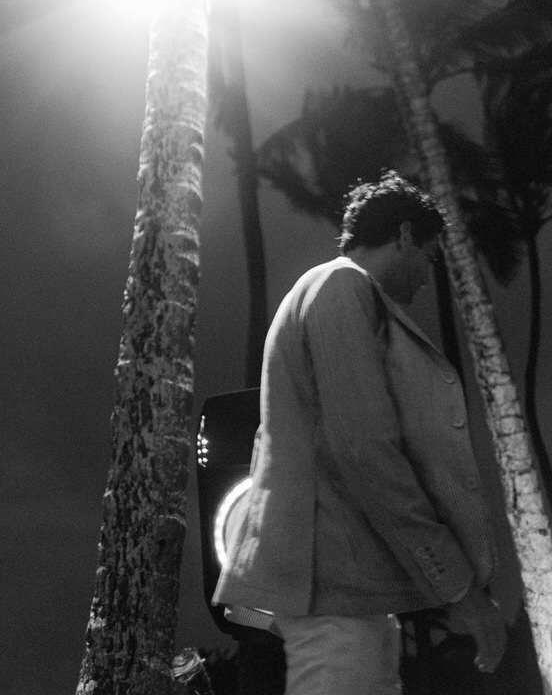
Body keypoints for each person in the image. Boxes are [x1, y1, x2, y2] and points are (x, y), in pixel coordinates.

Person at [213, 171, 506, 694]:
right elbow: (366, 449)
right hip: (332, 590)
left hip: (346, 590)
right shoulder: (342, 287)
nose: (424, 276)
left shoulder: (326, 290)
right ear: (404, 236)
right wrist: (458, 587)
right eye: (429, 257)